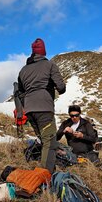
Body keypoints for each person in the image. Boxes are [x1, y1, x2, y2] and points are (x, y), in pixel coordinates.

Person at [18, 38, 66, 173]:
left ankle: (47, 166)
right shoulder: (50, 65)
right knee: (49, 143)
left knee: (43, 140)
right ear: (43, 51)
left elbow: (20, 92)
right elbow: (61, 87)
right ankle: (45, 176)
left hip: (29, 110)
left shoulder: (23, 70)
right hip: (44, 108)